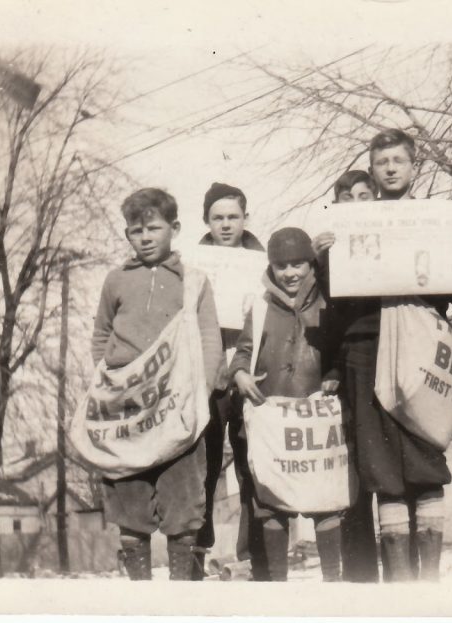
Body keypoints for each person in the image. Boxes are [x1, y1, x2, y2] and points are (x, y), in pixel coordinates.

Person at [313, 130, 452, 581]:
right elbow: (334, 297)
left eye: (398, 160)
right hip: (365, 348)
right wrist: (325, 258)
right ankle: (401, 587)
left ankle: (428, 584)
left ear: (414, 167)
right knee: (381, 464)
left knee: (423, 454)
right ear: (372, 169)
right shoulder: (352, 222)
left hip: (423, 345)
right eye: (382, 161)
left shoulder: (437, 218)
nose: (390, 168)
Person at [91, 188, 223, 580]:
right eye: (136, 230)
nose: (145, 237)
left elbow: (209, 335)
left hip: (176, 405)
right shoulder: (116, 281)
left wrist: (202, 388)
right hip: (128, 408)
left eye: (153, 228)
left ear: (174, 228)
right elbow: (101, 336)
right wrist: (109, 383)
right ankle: (142, 598)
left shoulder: (192, 281)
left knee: (182, 496)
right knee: (130, 498)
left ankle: (180, 596)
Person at [228, 227, 346, 582]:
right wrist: (240, 375)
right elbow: (243, 352)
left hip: (317, 421)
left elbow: (342, 347)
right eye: (282, 266)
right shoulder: (260, 308)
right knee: (270, 501)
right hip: (273, 422)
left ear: (311, 265)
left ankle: (333, 581)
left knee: (326, 499)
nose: (291, 273)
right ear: (271, 268)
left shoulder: (329, 301)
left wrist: (336, 372)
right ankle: (279, 585)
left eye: (298, 264)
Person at [195, 182, 267, 578]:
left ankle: (252, 553)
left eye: (233, 217)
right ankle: (198, 546)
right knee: (203, 464)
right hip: (206, 374)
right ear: (206, 221)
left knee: (248, 463)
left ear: (245, 218)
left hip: (248, 371)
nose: (226, 225)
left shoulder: (261, 262)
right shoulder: (193, 263)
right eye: (217, 218)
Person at [314, 170, 382, 583]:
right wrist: (323, 260)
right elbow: (328, 323)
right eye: (346, 197)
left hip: (391, 357)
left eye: (363, 195)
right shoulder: (328, 255)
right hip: (351, 366)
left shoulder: (395, 238)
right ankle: (360, 579)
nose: (356, 203)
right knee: (356, 472)